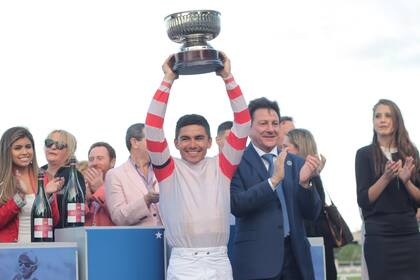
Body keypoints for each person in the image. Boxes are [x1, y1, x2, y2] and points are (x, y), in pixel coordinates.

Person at [145, 52, 250, 280]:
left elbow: (243, 123)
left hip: (220, 261)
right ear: (176, 143)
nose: (193, 145)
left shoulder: (223, 165)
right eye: (186, 139)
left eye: (199, 138)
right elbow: (152, 129)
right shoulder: (167, 170)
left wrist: (228, 77)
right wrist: (168, 80)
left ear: (210, 141)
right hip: (184, 263)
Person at [230, 97, 322, 280]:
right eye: (263, 123)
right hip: (257, 262)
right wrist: (272, 181)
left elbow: (312, 213)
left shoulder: (296, 163)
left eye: (275, 123)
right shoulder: (235, 162)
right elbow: (237, 205)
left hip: (295, 260)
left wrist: (305, 184)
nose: (270, 129)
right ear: (249, 127)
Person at [355, 99, 420, 280]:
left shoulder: (411, 153)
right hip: (379, 237)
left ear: (396, 121)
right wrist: (386, 177)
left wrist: (406, 181)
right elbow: (364, 199)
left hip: (409, 234)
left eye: (387, 115)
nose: (382, 120)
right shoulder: (364, 154)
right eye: (377, 116)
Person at [283, 128, 336, 280]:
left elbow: (312, 213)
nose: (281, 150)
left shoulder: (311, 178)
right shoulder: (287, 173)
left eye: (286, 146)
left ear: (298, 147)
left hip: (312, 243)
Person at [0, 127, 63, 243]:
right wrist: (18, 198)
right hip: (8, 252)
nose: (25, 152)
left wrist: (47, 195)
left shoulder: (43, 177)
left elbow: (54, 221)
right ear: (7, 151)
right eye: (17, 148)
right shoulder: (2, 180)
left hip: (39, 250)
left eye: (28, 147)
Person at [105, 124, 161, 226]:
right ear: (135, 142)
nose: (156, 144)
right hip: (138, 239)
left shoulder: (164, 169)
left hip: (170, 239)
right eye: (151, 139)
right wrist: (146, 200)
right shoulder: (115, 175)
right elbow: (118, 217)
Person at [40, 129, 86, 228]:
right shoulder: (37, 173)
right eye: (49, 143)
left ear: (69, 150)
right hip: (37, 233)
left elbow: (76, 212)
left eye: (59, 145)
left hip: (63, 235)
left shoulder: (74, 176)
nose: (53, 147)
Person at [85, 142, 116, 226]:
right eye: (91, 159)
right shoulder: (83, 186)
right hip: (87, 237)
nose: (94, 163)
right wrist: (86, 200)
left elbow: (120, 214)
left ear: (112, 162)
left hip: (111, 237)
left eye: (100, 158)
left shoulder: (121, 183)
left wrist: (99, 190)